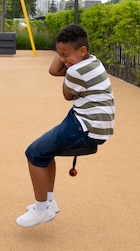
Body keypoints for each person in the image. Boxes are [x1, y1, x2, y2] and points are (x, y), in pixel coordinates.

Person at [16, 24, 115, 227]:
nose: (62, 59)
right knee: (45, 152)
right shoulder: (93, 62)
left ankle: (41, 209)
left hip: (85, 125)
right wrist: (65, 58)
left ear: (82, 51)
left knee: (34, 153)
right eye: (59, 54)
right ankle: (49, 202)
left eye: (65, 54)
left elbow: (66, 94)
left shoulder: (77, 70)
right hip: (94, 122)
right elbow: (55, 71)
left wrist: (69, 67)